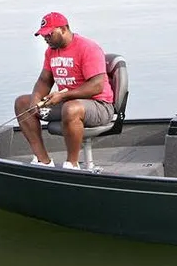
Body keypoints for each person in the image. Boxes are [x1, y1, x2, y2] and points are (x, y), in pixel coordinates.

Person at [14, 12, 114, 169]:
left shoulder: (88, 48)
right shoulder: (51, 51)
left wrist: (63, 96)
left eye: (49, 34)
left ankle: (72, 164)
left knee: (71, 108)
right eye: (43, 35)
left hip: (100, 105)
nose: (45, 38)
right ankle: (43, 161)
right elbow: (44, 80)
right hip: (68, 101)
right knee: (22, 103)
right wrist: (35, 101)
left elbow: (97, 86)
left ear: (63, 29)